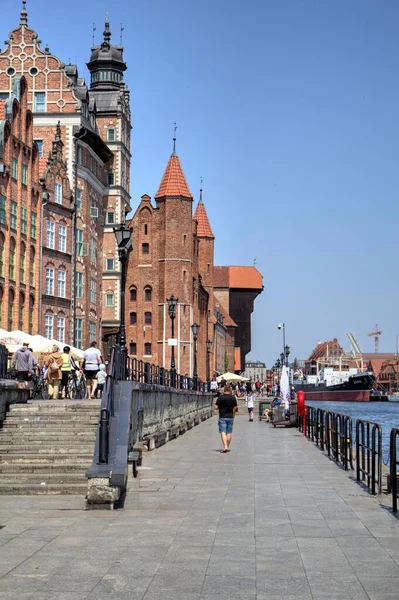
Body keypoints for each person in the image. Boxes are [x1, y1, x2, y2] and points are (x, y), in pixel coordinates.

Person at [214, 384, 238, 453]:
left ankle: (225, 446)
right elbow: (235, 408)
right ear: (230, 391)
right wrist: (233, 416)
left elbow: (215, 407)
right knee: (229, 432)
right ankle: (227, 446)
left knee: (223, 432)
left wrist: (218, 407)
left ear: (224, 391)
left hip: (222, 416)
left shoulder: (221, 398)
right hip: (230, 417)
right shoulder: (233, 398)